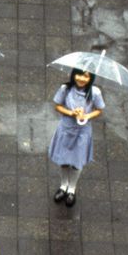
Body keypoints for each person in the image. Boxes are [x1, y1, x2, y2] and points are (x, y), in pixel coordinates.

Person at [49, 68, 104, 206]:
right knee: (64, 161)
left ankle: (72, 189)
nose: (81, 79)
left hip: (82, 132)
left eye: (86, 76)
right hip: (66, 130)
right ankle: (63, 186)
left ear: (90, 78)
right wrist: (71, 112)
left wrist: (86, 115)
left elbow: (99, 110)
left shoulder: (95, 92)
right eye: (79, 75)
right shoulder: (65, 89)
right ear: (74, 75)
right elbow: (57, 106)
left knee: (76, 163)